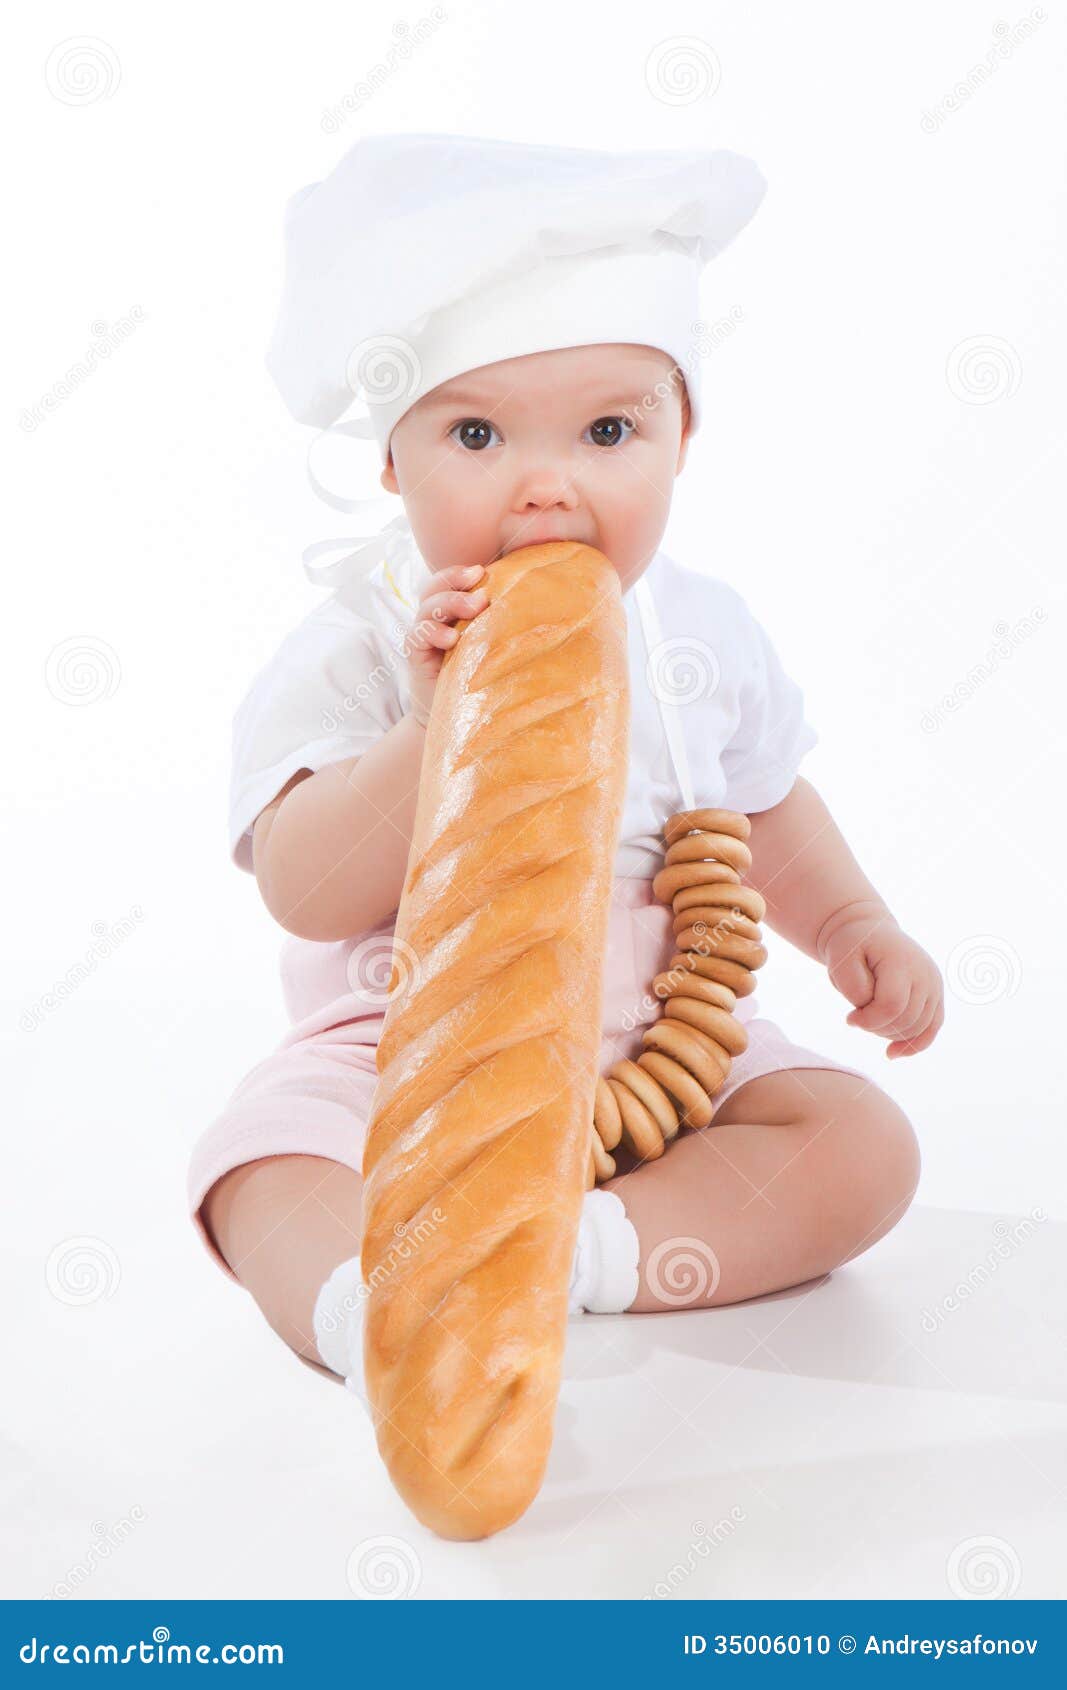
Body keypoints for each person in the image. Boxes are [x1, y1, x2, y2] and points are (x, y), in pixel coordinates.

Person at [188, 133, 938, 1401]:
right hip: (398, 1056)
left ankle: (571, 1257)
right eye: (474, 435)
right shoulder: (359, 643)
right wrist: (428, 735)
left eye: (605, 430)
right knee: (255, 1169)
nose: (547, 489)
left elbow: (761, 808)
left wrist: (852, 918)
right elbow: (308, 894)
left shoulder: (700, 635)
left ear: (681, 436)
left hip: (655, 1050)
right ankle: (370, 1305)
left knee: (861, 1148)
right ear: (390, 462)